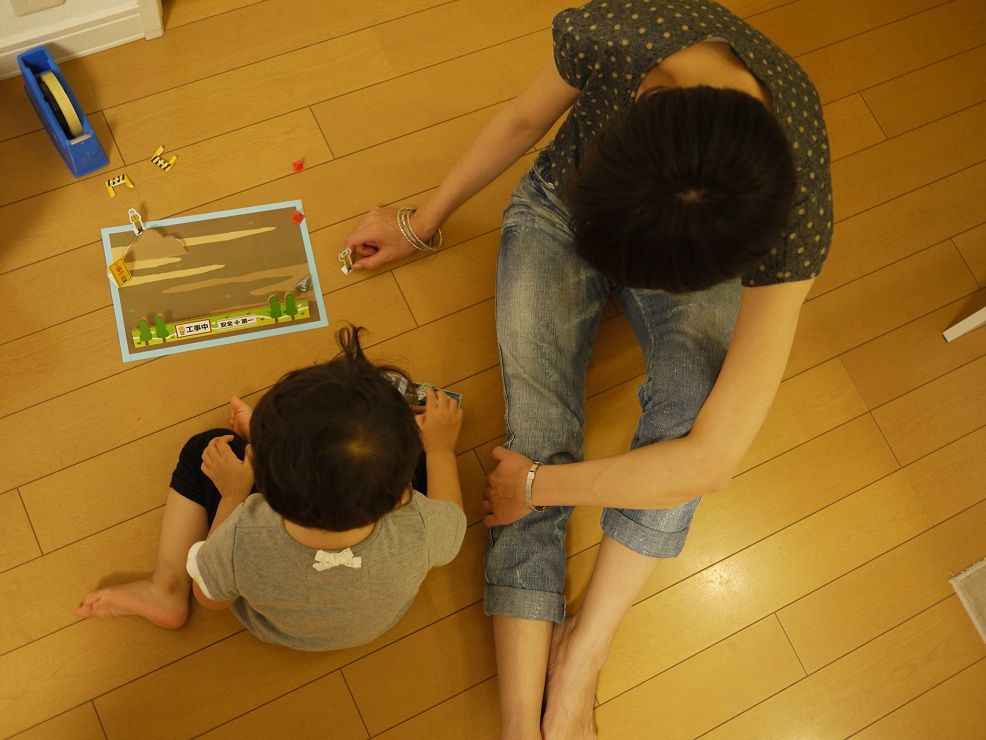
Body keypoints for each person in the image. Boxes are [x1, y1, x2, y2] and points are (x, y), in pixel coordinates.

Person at [343, 0, 832, 735]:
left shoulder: (797, 209)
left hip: (676, 245)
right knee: (539, 428)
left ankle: (582, 657)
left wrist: (536, 486)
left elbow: (710, 460)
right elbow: (522, 119)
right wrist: (421, 221)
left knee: (688, 415)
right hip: (561, 212)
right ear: (642, 99)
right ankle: (520, 723)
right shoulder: (614, 33)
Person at [76, 326, 467, 652]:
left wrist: (233, 494)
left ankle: (166, 587)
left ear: (265, 486)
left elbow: (210, 598)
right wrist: (440, 449)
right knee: (374, 456)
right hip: (371, 624)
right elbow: (452, 519)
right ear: (401, 495)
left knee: (205, 449)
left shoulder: (245, 534)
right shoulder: (422, 525)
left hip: (281, 628)